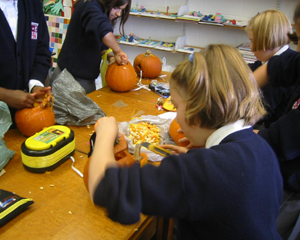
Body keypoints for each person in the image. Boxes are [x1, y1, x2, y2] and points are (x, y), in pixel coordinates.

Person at [88, 44, 283, 240]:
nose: (176, 118)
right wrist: (200, 157)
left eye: (176, 105)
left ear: (195, 111)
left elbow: (104, 187)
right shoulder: (262, 147)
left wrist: (105, 133)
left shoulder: (201, 172)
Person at [253, 1, 300, 240]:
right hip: (281, 164)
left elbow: (283, 137)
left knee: (269, 229)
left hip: (294, 184)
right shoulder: (297, 60)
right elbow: (278, 67)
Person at [54, 0, 131, 94]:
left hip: (82, 78)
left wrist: (110, 56)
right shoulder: (90, 7)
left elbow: (98, 40)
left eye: (122, 9)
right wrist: (118, 51)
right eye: (116, 8)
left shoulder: (96, 8)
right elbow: (102, 29)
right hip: (70, 80)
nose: (119, 13)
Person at [246, 9, 295, 129]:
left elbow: (257, 112)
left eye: (253, 41)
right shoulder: (281, 59)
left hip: (273, 137)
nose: (251, 47)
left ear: (268, 39)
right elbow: (254, 67)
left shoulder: (281, 72)